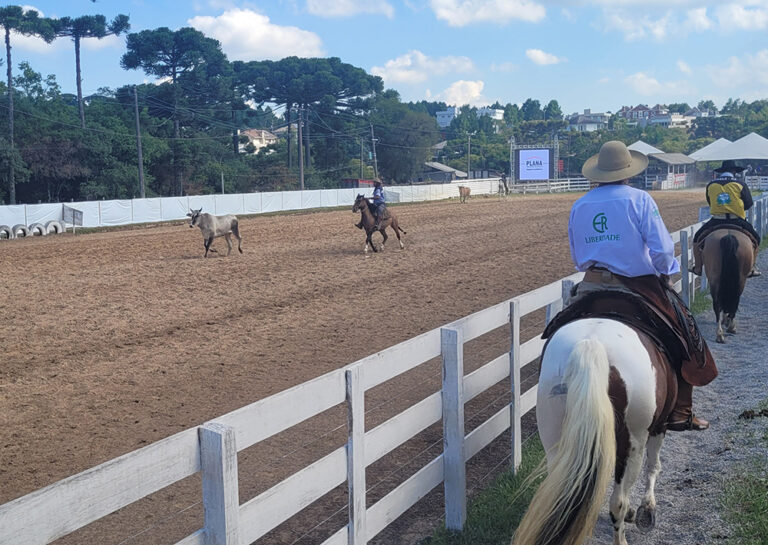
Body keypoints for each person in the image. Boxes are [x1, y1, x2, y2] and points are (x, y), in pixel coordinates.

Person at [563, 140, 717, 431]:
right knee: (683, 330)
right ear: (628, 172)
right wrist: (667, 272)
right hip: (637, 285)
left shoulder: (579, 205)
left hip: (592, 283)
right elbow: (661, 248)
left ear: (599, 173)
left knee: (560, 330)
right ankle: (681, 410)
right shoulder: (639, 199)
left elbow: (576, 255)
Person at [689, 160, 761, 277]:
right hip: (737, 220)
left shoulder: (711, 185)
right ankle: (751, 267)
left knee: (697, 239)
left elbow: (710, 202)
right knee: (756, 239)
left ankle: (697, 268)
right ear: (734, 172)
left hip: (717, 219)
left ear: (722, 172)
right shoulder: (740, 184)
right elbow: (748, 204)